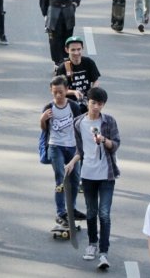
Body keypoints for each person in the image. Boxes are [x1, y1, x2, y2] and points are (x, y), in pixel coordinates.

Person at [65, 87, 120, 271]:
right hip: (88, 174)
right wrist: (72, 162)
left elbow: (115, 145)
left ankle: (104, 253)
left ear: (104, 105)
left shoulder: (109, 121)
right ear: (87, 102)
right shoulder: (78, 123)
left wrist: (103, 140)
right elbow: (81, 150)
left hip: (106, 175)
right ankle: (92, 244)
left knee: (104, 214)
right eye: (93, 102)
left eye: (100, 103)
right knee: (91, 212)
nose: (96, 106)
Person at [40, 76, 86, 228]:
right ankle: (60, 212)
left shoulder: (73, 106)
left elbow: (79, 126)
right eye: (55, 93)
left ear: (67, 90)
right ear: (50, 91)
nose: (58, 96)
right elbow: (44, 130)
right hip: (56, 146)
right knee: (60, 178)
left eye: (61, 92)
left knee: (74, 179)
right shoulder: (48, 107)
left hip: (72, 147)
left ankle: (71, 210)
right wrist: (42, 119)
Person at [54, 36, 101, 103]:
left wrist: (92, 92)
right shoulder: (63, 67)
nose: (76, 53)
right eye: (73, 50)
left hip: (87, 99)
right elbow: (58, 89)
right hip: (70, 101)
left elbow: (95, 80)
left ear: (82, 48)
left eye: (79, 49)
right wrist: (74, 92)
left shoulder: (89, 62)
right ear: (67, 50)